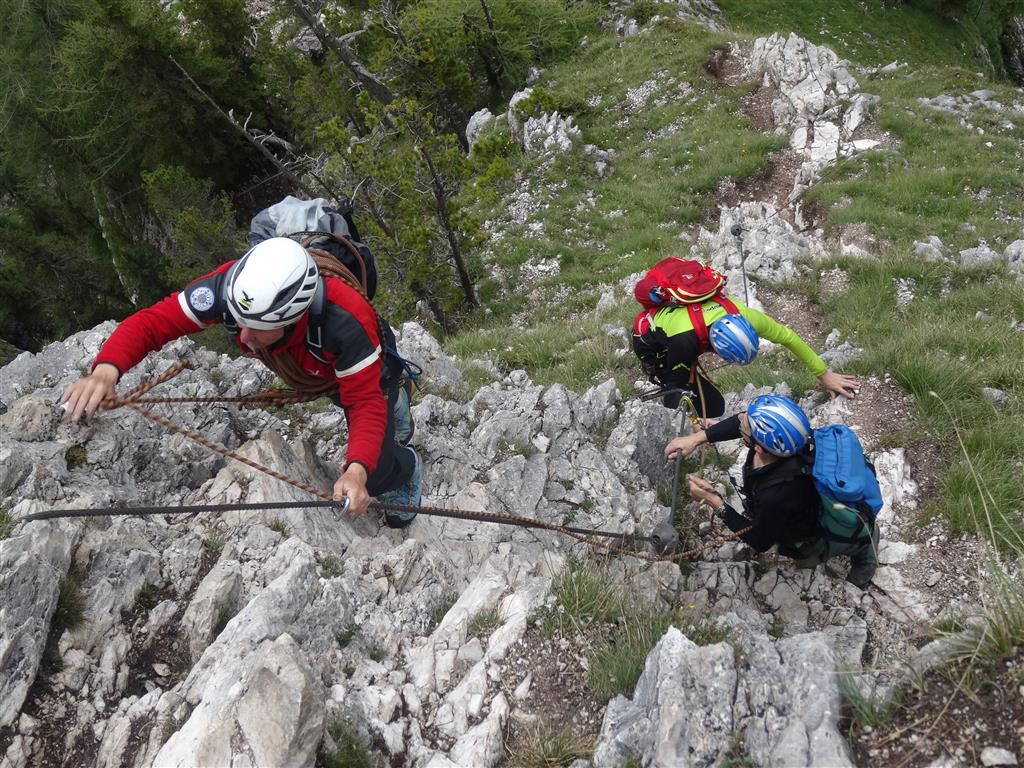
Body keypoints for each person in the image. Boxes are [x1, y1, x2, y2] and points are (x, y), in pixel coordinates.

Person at [60, 237, 420, 528]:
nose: (243, 336)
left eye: (256, 327)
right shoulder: (231, 289)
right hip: (321, 369)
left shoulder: (345, 320)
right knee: (345, 399)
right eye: (238, 320)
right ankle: (395, 416)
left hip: (367, 367)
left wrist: (357, 471)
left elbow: (364, 403)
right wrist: (105, 371)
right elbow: (153, 322)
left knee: (375, 470)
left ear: (292, 319)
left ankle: (406, 464)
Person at [664, 394, 878, 588]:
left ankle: (865, 548)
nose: (740, 419)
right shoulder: (788, 440)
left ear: (757, 447)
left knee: (803, 556)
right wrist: (696, 439)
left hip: (808, 533)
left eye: (746, 423)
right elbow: (741, 424)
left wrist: (715, 502)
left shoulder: (777, 494)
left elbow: (760, 542)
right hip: (789, 505)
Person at [633, 296, 859, 417]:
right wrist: (695, 426)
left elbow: (788, 337)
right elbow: (677, 386)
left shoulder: (747, 316)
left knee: (715, 408)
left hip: (686, 331)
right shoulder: (684, 342)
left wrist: (824, 374)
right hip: (652, 340)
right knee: (680, 392)